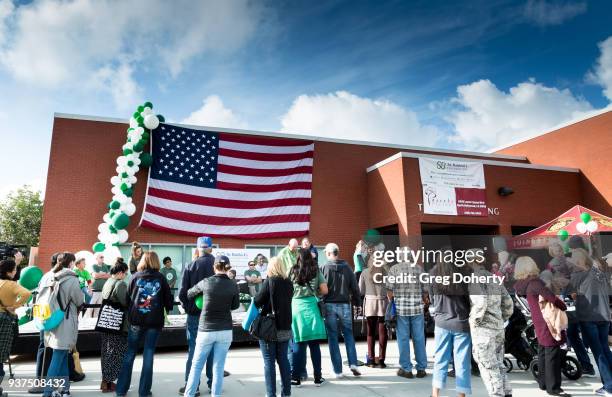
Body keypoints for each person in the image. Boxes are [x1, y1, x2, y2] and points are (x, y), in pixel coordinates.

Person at [115, 252, 173, 397]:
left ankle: (121, 390)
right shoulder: (161, 278)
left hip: (135, 321)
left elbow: (127, 299)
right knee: (148, 354)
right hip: (154, 322)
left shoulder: (135, 277)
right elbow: (168, 302)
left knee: (130, 353)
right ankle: (144, 391)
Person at [514, 256, 569, 397]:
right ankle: (554, 388)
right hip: (548, 322)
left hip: (538, 321)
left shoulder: (522, 284)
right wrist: (563, 306)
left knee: (543, 352)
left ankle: (543, 383)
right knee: (552, 355)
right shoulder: (535, 283)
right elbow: (552, 298)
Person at [184, 255, 239, 397]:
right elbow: (235, 305)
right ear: (228, 267)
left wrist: (201, 296)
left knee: (196, 366)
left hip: (206, 330)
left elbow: (189, 293)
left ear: (214, 267)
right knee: (218, 368)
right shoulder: (233, 284)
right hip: (226, 330)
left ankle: (189, 394)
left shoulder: (206, 282)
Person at [467, 250, 514, 397]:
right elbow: (508, 303)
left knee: (488, 366)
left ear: (471, 261)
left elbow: (480, 302)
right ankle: (507, 392)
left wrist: (475, 320)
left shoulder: (475, 278)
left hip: (483, 329)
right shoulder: (494, 278)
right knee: (499, 364)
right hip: (498, 327)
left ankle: (497, 394)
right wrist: (501, 318)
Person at [568, 251, 612, 396]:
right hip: (604, 316)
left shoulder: (578, 275)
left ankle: (609, 387)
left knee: (599, 352)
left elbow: (569, 292)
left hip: (589, 317)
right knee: (605, 349)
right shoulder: (601, 274)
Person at [42, 252, 84, 397]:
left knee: (62, 354)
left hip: (48, 319)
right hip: (64, 321)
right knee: (59, 355)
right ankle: (47, 392)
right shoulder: (71, 279)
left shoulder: (47, 276)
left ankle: (65, 389)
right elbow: (79, 300)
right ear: (71, 263)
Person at [428, 259, 473, 397]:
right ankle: (461, 395)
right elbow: (470, 299)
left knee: (440, 359)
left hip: (441, 322)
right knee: (462, 362)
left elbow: (432, 299)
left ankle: (435, 394)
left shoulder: (433, 274)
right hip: (461, 322)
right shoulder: (465, 274)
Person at [179, 236, 216, 395]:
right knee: (213, 349)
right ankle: (213, 383)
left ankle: (191, 386)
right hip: (215, 314)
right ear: (211, 248)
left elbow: (182, 293)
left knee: (194, 348)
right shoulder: (218, 265)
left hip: (195, 314)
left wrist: (191, 308)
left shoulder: (191, 266)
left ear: (198, 248)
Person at [385, 248, 428, 379]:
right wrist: (423, 300)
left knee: (403, 339)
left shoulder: (394, 269)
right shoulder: (419, 269)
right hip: (417, 309)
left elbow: (389, 290)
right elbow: (425, 291)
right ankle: (421, 368)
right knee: (419, 338)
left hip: (401, 309)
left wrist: (392, 301)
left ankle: (406, 369)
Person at [320, 243, 361, 378]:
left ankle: (337, 370)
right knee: (348, 334)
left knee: (333, 337)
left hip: (329, 305)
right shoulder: (348, 268)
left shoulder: (324, 268)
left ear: (329, 253)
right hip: (344, 304)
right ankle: (353, 363)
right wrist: (358, 303)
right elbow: (355, 287)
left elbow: (320, 288)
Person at [289, 248, 328, 387]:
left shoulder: (292, 270)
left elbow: (287, 289)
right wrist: (315, 291)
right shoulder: (315, 270)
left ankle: (295, 378)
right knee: (314, 344)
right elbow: (324, 290)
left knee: (298, 343)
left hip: (296, 307)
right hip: (311, 307)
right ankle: (318, 378)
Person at [99, 258, 129, 393]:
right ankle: (109, 381)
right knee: (116, 352)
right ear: (121, 272)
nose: (126, 276)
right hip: (117, 324)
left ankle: (105, 380)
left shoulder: (108, 282)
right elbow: (125, 302)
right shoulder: (120, 284)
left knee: (106, 351)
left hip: (106, 321)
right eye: (126, 273)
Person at [0, 258, 32, 387]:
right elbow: (27, 293)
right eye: (14, 270)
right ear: (9, 272)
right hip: (5, 319)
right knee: (1, 353)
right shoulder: (12, 284)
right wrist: (15, 306)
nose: (15, 272)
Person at [359, 254, 389, 368]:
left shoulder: (365, 272)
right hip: (383, 303)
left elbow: (361, 290)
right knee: (383, 333)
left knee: (370, 333)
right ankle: (381, 360)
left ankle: (371, 360)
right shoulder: (385, 272)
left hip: (370, 303)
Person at [89, 252, 111, 317]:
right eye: (101, 257)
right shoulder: (94, 266)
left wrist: (100, 275)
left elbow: (109, 276)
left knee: (99, 306)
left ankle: (95, 319)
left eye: (103, 257)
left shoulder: (105, 266)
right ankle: (88, 318)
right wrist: (103, 274)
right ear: (96, 258)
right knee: (91, 305)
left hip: (103, 289)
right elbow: (95, 275)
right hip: (95, 289)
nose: (102, 258)